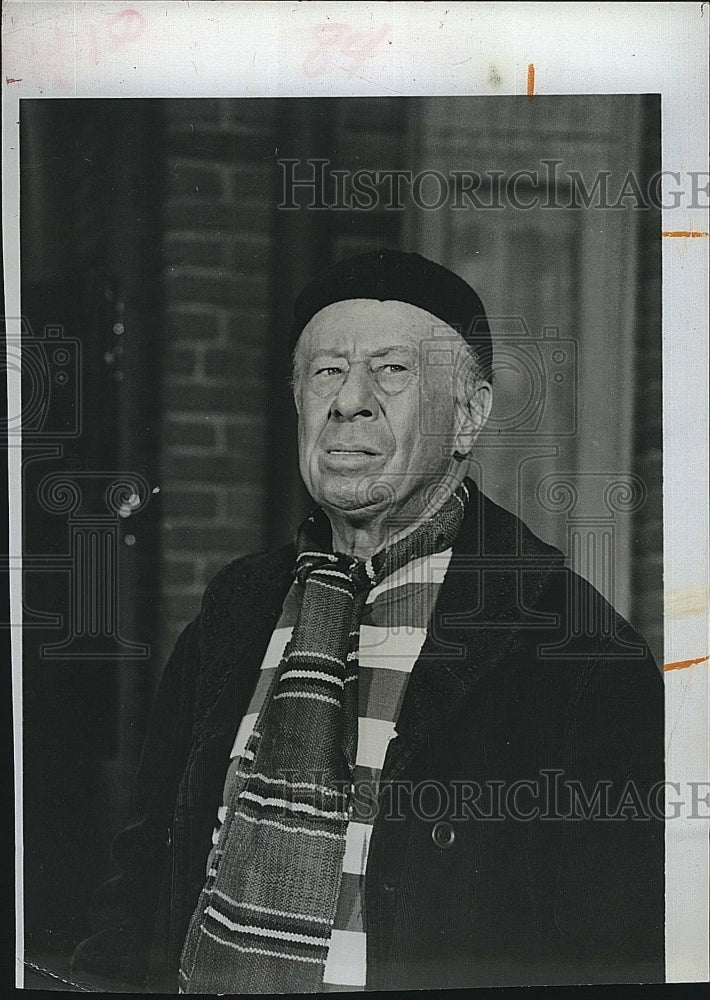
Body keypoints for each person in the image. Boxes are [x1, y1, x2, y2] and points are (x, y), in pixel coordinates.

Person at [72, 249, 664, 992]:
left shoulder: (581, 655)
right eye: (325, 371)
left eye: (393, 370)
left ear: (471, 415)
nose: (350, 400)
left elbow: (615, 958)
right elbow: (138, 891)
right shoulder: (236, 612)